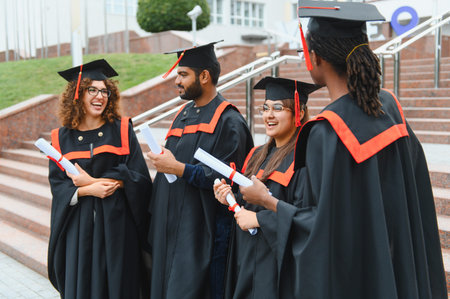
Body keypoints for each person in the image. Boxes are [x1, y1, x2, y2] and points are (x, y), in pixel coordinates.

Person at [238, 1, 448, 298]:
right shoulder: (390, 108)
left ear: (315, 58)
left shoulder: (327, 133)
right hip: (396, 266)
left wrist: (267, 204)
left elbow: (320, 229)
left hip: (358, 278)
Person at [147, 41, 254, 299]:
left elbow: (231, 180)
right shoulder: (183, 114)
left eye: (183, 74)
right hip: (172, 230)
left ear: (204, 76)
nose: (177, 81)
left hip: (203, 236)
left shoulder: (229, 120)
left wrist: (179, 168)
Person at [47, 59, 152, 299]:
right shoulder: (61, 138)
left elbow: (139, 178)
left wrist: (91, 179)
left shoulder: (122, 130)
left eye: (104, 91)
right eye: (91, 90)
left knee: (118, 284)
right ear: (77, 94)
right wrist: (88, 189)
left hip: (117, 224)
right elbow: (58, 186)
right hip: (79, 227)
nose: (100, 96)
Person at [214, 77, 321, 299]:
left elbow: (309, 219)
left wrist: (260, 220)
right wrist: (229, 198)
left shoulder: (306, 158)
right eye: (265, 108)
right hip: (247, 261)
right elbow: (246, 207)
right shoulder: (256, 155)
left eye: (278, 108)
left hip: (280, 269)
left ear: (299, 114)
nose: (268, 115)